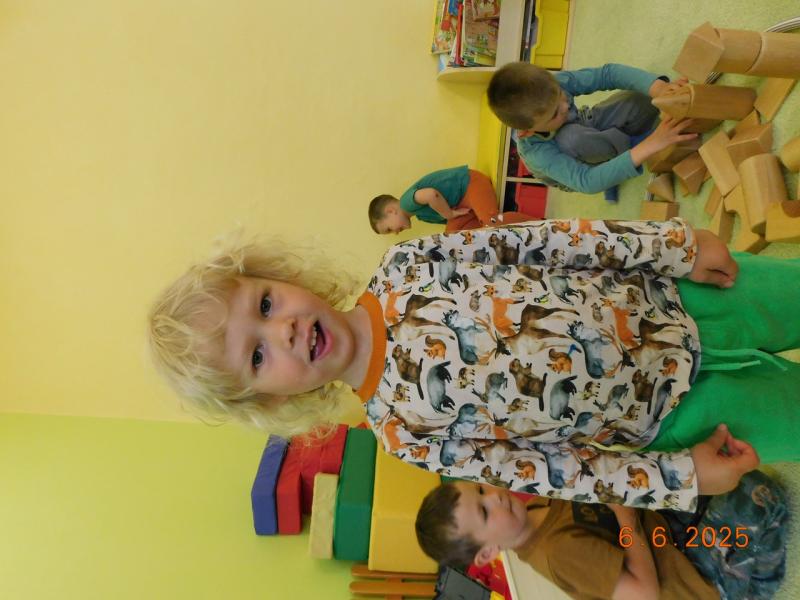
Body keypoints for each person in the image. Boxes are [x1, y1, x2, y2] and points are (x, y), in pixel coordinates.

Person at [147, 218, 800, 511]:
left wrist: (673, 247)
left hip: (684, 298)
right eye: (258, 354)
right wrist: (680, 478)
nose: (283, 329)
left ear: (281, 278)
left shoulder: (407, 264)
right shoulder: (403, 433)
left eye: (265, 304)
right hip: (682, 417)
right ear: (270, 400)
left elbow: (551, 243)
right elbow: (555, 472)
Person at [415, 457, 788, 600]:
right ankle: (757, 587)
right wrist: (626, 517)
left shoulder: (533, 509)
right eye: (484, 512)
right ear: (487, 553)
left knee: (705, 471)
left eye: (481, 490)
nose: (495, 497)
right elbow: (644, 594)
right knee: (760, 495)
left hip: (661, 534)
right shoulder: (559, 553)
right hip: (690, 582)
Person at [487, 62, 696, 200]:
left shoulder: (549, 85)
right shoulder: (536, 152)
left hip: (585, 123)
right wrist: (649, 146)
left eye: (560, 94)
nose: (565, 106)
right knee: (571, 138)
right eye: (554, 114)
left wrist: (658, 88)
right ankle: (617, 159)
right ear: (527, 132)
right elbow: (587, 181)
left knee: (641, 98)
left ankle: (619, 154)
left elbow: (607, 74)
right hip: (578, 162)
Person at [368, 165, 532, 234]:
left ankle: (539, 225)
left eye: (389, 229)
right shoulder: (422, 216)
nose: (395, 233)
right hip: (463, 205)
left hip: (470, 184)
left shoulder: (406, 203)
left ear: (391, 211)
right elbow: (454, 219)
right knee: (452, 239)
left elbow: (431, 194)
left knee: (492, 222)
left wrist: (449, 214)